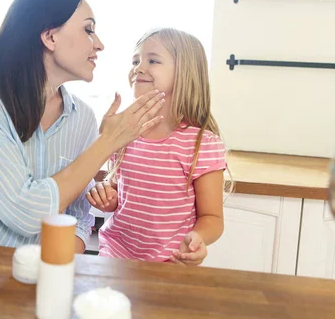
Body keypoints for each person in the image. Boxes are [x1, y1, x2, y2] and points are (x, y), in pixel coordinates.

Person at [0, 0, 165, 252]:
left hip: (31, 275)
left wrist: (54, 268)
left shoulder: (82, 118)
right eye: (88, 29)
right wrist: (107, 142)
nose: (99, 44)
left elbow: (78, 216)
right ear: (50, 37)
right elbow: (24, 210)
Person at [87, 28, 230, 264]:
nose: (138, 68)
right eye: (135, 61)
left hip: (170, 263)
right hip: (116, 254)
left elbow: (212, 217)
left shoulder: (201, 144)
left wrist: (197, 237)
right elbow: (118, 196)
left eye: (152, 60)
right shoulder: (126, 133)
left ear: (185, 72)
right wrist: (107, 197)